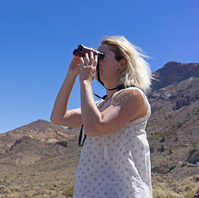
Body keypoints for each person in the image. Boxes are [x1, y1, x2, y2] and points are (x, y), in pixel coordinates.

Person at [50, 36, 153, 197]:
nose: (96, 62)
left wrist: (85, 82)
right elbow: (58, 117)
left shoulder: (133, 96)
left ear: (122, 63)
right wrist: (71, 74)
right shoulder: (100, 106)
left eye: (101, 57)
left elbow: (94, 127)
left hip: (122, 192)